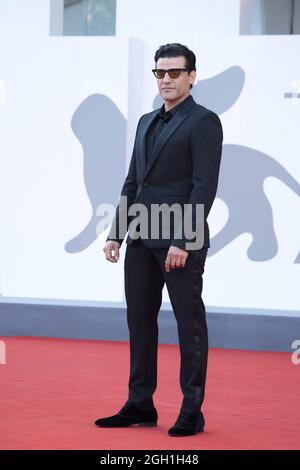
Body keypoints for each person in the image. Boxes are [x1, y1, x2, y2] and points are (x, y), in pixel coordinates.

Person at [95, 43, 223, 437]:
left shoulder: (204, 121)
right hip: (141, 240)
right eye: (159, 73)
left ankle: (191, 410)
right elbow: (134, 181)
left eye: (174, 73)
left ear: (191, 76)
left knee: (189, 324)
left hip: (180, 243)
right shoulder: (147, 122)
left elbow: (204, 188)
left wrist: (184, 240)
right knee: (139, 322)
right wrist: (117, 231)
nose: (165, 79)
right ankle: (140, 403)